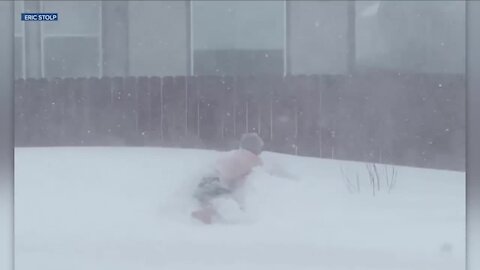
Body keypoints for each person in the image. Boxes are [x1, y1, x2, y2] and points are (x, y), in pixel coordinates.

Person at [191, 133, 264, 224]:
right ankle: (206, 215)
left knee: (209, 198)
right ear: (255, 147)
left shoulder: (234, 153)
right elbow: (255, 176)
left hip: (207, 179)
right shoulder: (254, 160)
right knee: (224, 200)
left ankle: (202, 215)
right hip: (218, 183)